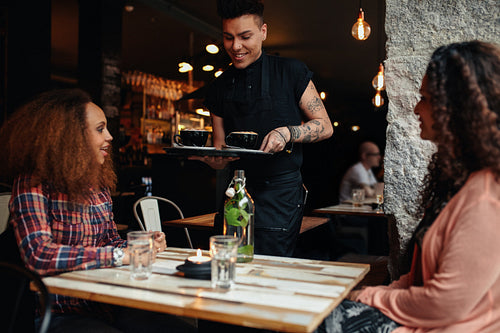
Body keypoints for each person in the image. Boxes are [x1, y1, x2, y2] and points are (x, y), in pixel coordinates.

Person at [320, 41, 500, 332]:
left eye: (425, 98)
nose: (416, 108)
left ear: (456, 110)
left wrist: (366, 295)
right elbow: (417, 281)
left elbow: (442, 304)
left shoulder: (486, 199)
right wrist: (376, 293)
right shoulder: (456, 182)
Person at [0, 89, 194, 332]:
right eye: (100, 129)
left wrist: (140, 245)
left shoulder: (97, 184)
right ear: (71, 136)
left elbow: (110, 241)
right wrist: (118, 256)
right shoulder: (32, 183)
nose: (110, 136)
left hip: (105, 303)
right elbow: (39, 254)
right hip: (56, 313)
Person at [200, 0, 333, 257]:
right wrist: (212, 159)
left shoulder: (291, 71)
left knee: (271, 266)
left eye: (244, 36)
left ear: (263, 32)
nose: (235, 46)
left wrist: (288, 132)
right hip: (236, 192)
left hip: (281, 194)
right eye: (228, 38)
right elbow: (220, 150)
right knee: (230, 261)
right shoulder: (219, 86)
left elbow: (325, 126)